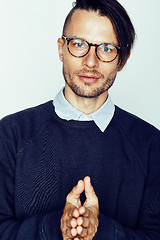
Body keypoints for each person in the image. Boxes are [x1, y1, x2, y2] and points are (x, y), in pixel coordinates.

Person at [0, 0, 160, 239]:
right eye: (78, 44)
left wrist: (101, 230)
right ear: (61, 49)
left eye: (106, 48)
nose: (90, 61)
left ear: (122, 59)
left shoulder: (151, 145)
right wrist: (56, 227)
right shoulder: (11, 134)